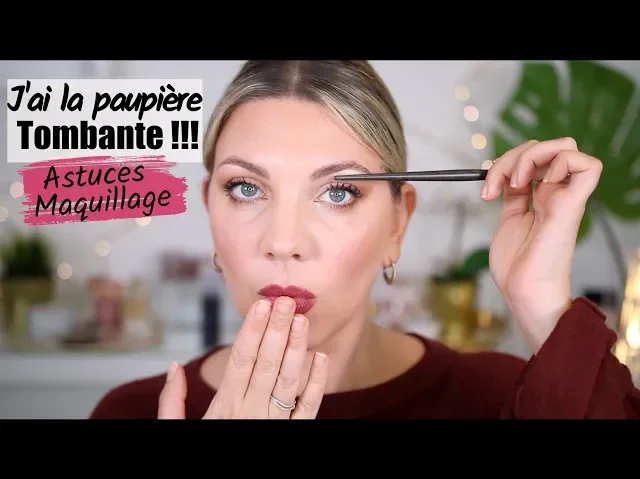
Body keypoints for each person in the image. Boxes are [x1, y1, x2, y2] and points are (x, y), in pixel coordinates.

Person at [90, 60, 640, 419]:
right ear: (211, 207)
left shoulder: (500, 398)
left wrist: (544, 308)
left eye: (338, 192)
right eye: (246, 189)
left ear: (397, 224)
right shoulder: (130, 412)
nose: (284, 241)